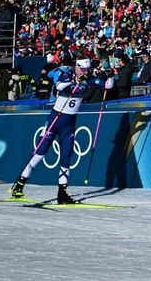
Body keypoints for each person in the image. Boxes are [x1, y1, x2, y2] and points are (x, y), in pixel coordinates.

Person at [10, 57, 113, 204]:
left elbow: (107, 85)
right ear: (76, 67)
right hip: (56, 119)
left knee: (66, 157)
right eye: (82, 69)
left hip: (69, 123)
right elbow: (58, 86)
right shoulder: (67, 74)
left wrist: (109, 77)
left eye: (87, 70)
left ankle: (62, 193)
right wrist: (73, 81)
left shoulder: (89, 79)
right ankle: (20, 185)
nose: (85, 72)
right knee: (40, 153)